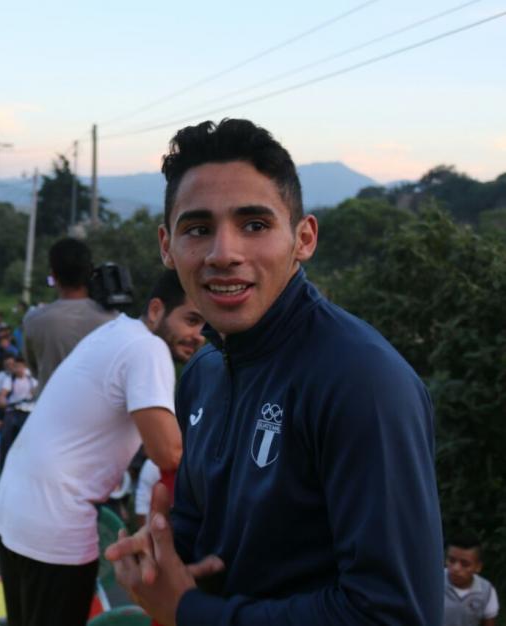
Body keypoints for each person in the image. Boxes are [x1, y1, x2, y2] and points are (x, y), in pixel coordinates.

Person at [105, 119, 443, 625]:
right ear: (166, 247)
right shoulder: (203, 372)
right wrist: (161, 555)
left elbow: (393, 613)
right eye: (197, 229)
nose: (224, 254)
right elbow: (205, 538)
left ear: (303, 238)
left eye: (255, 225)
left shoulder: (362, 382)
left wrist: (191, 611)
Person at [0, 269, 205, 626]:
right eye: (192, 320)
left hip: (18, 509)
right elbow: (169, 453)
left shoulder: (116, 331)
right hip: (56, 520)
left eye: (205, 323)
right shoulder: (147, 348)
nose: (198, 335)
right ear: (156, 310)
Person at [22, 237, 115, 395]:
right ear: (90, 272)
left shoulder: (33, 320)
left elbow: (35, 368)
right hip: (98, 414)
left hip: (50, 412)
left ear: (53, 274)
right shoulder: (112, 320)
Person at [444, 534, 499, 626]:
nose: (456, 568)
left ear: (478, 567)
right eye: (451, 560)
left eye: (465, 564)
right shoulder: (434, 583)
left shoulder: (486, 591)